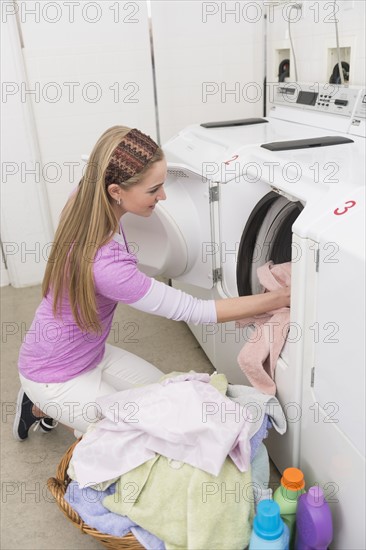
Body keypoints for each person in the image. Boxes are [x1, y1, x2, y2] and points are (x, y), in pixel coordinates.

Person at [13, 125, 290, 441]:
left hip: (89, 352)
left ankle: (45, 407)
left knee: (169, 397)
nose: (163, 195)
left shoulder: (86, 196)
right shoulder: (106, 265)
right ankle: (42, 402)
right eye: (153, 189)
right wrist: (279, 298)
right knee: (133, 437)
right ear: (116, 191)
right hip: (55, 375)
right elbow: (194, 309)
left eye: (163, 183)